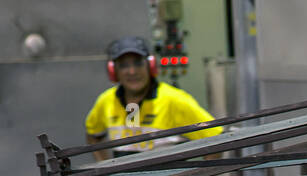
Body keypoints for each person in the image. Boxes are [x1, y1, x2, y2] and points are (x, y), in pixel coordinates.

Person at [85, 36, 222, 158]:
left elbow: (215, 138)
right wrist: (103, 168)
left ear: (150, 66)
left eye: (138, 63)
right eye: (124, 65)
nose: (132, 71)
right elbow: (93, 136)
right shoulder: (106, 101)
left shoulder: (174, 100)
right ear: (113, 71)